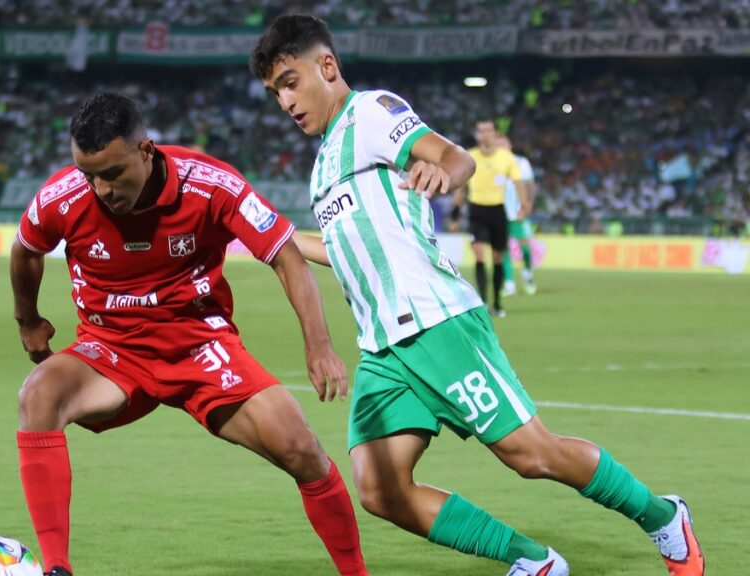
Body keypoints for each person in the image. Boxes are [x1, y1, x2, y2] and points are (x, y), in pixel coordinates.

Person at [250, 14, 703, 576]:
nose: (285, 101)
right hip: (384, 350)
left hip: (437, 325)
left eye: (291, 81)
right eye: (275, 92)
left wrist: (449, 172)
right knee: (379, 488)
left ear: (327, 66)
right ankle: (534, 563)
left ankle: (663, 516)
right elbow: (342, 249)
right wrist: (266, 234)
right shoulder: (322, 167)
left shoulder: (368, 113)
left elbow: (452, 156)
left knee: (532, 455)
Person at [11, 92, 368, 576]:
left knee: (301, 448)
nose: (101, 189)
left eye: (112, 174)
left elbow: (285, 254)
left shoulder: (210, 184)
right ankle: (56, 569)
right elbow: (26, 248)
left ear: (146, 151)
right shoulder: (63, 197)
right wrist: (28, 319)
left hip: (201, 343)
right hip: (110, 348)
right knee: (38, 395)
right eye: (88, 175)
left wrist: (319, 345)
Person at [456, 119, 525, 317]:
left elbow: (518, 182)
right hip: (477, 210)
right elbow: (461, 185)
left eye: (488, 130)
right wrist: (455, 211)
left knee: (497, 257)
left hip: (497, 210)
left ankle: (497, 302)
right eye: (480, 131)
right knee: (479, 253)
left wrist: (524, 205)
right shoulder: (470, 156)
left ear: (495, 133)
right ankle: (483, 302)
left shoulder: (506, 157)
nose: (484, 134)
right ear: (477, 134)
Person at [497, 135, 537, 297]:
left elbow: (530, 186)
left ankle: (527, 274)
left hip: (518, 212)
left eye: (503, 144)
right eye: (498, 144)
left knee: (525, 247)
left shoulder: (521, 163)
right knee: (503, 249)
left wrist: (527, 205)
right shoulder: (494, 165)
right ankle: (509, 283)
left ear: (510, 145)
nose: (501, 147)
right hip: (499, 213)